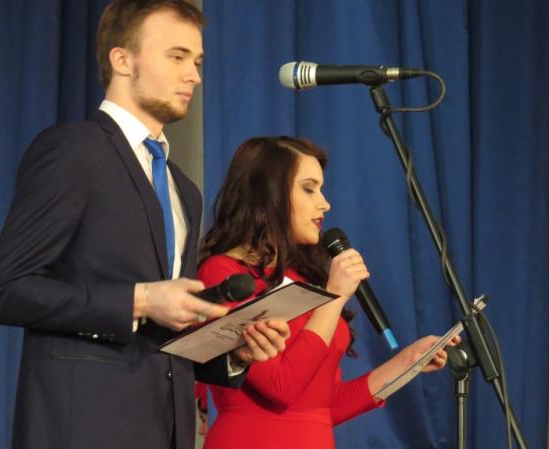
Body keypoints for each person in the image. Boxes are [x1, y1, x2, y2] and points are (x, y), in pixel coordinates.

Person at [0, 2, 289, 449]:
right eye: (177, 56)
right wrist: (141, 299)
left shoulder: (184, 189)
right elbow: (5, 292)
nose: (194, 76)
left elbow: (167, 338)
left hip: (165, 429)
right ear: (122, 60)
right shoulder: (74, 150)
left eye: (198, 62)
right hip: (83, 429)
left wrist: (234, 351)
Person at [196, 136, 459, 449]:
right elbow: (282, 387)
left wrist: (407, 361)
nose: (324, 203)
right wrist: (334, 296)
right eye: (309, 189)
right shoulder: (223, 273)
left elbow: (323, 406)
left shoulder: (302, 278)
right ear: (268, 194)